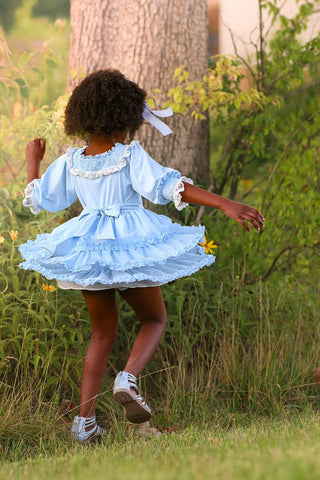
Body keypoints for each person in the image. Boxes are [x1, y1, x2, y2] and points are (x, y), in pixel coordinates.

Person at [19, 69, 264, 444]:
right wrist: (225, 203)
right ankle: (128, 378)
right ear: (126, 116)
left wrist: (34, 160)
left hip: (90, 249)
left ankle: (83, 425)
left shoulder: (72, 160)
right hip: (132, 245)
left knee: (101, 333)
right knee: (153, 318)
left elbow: (41, 198)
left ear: (82, 115)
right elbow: (171, 186)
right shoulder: (129, 155)